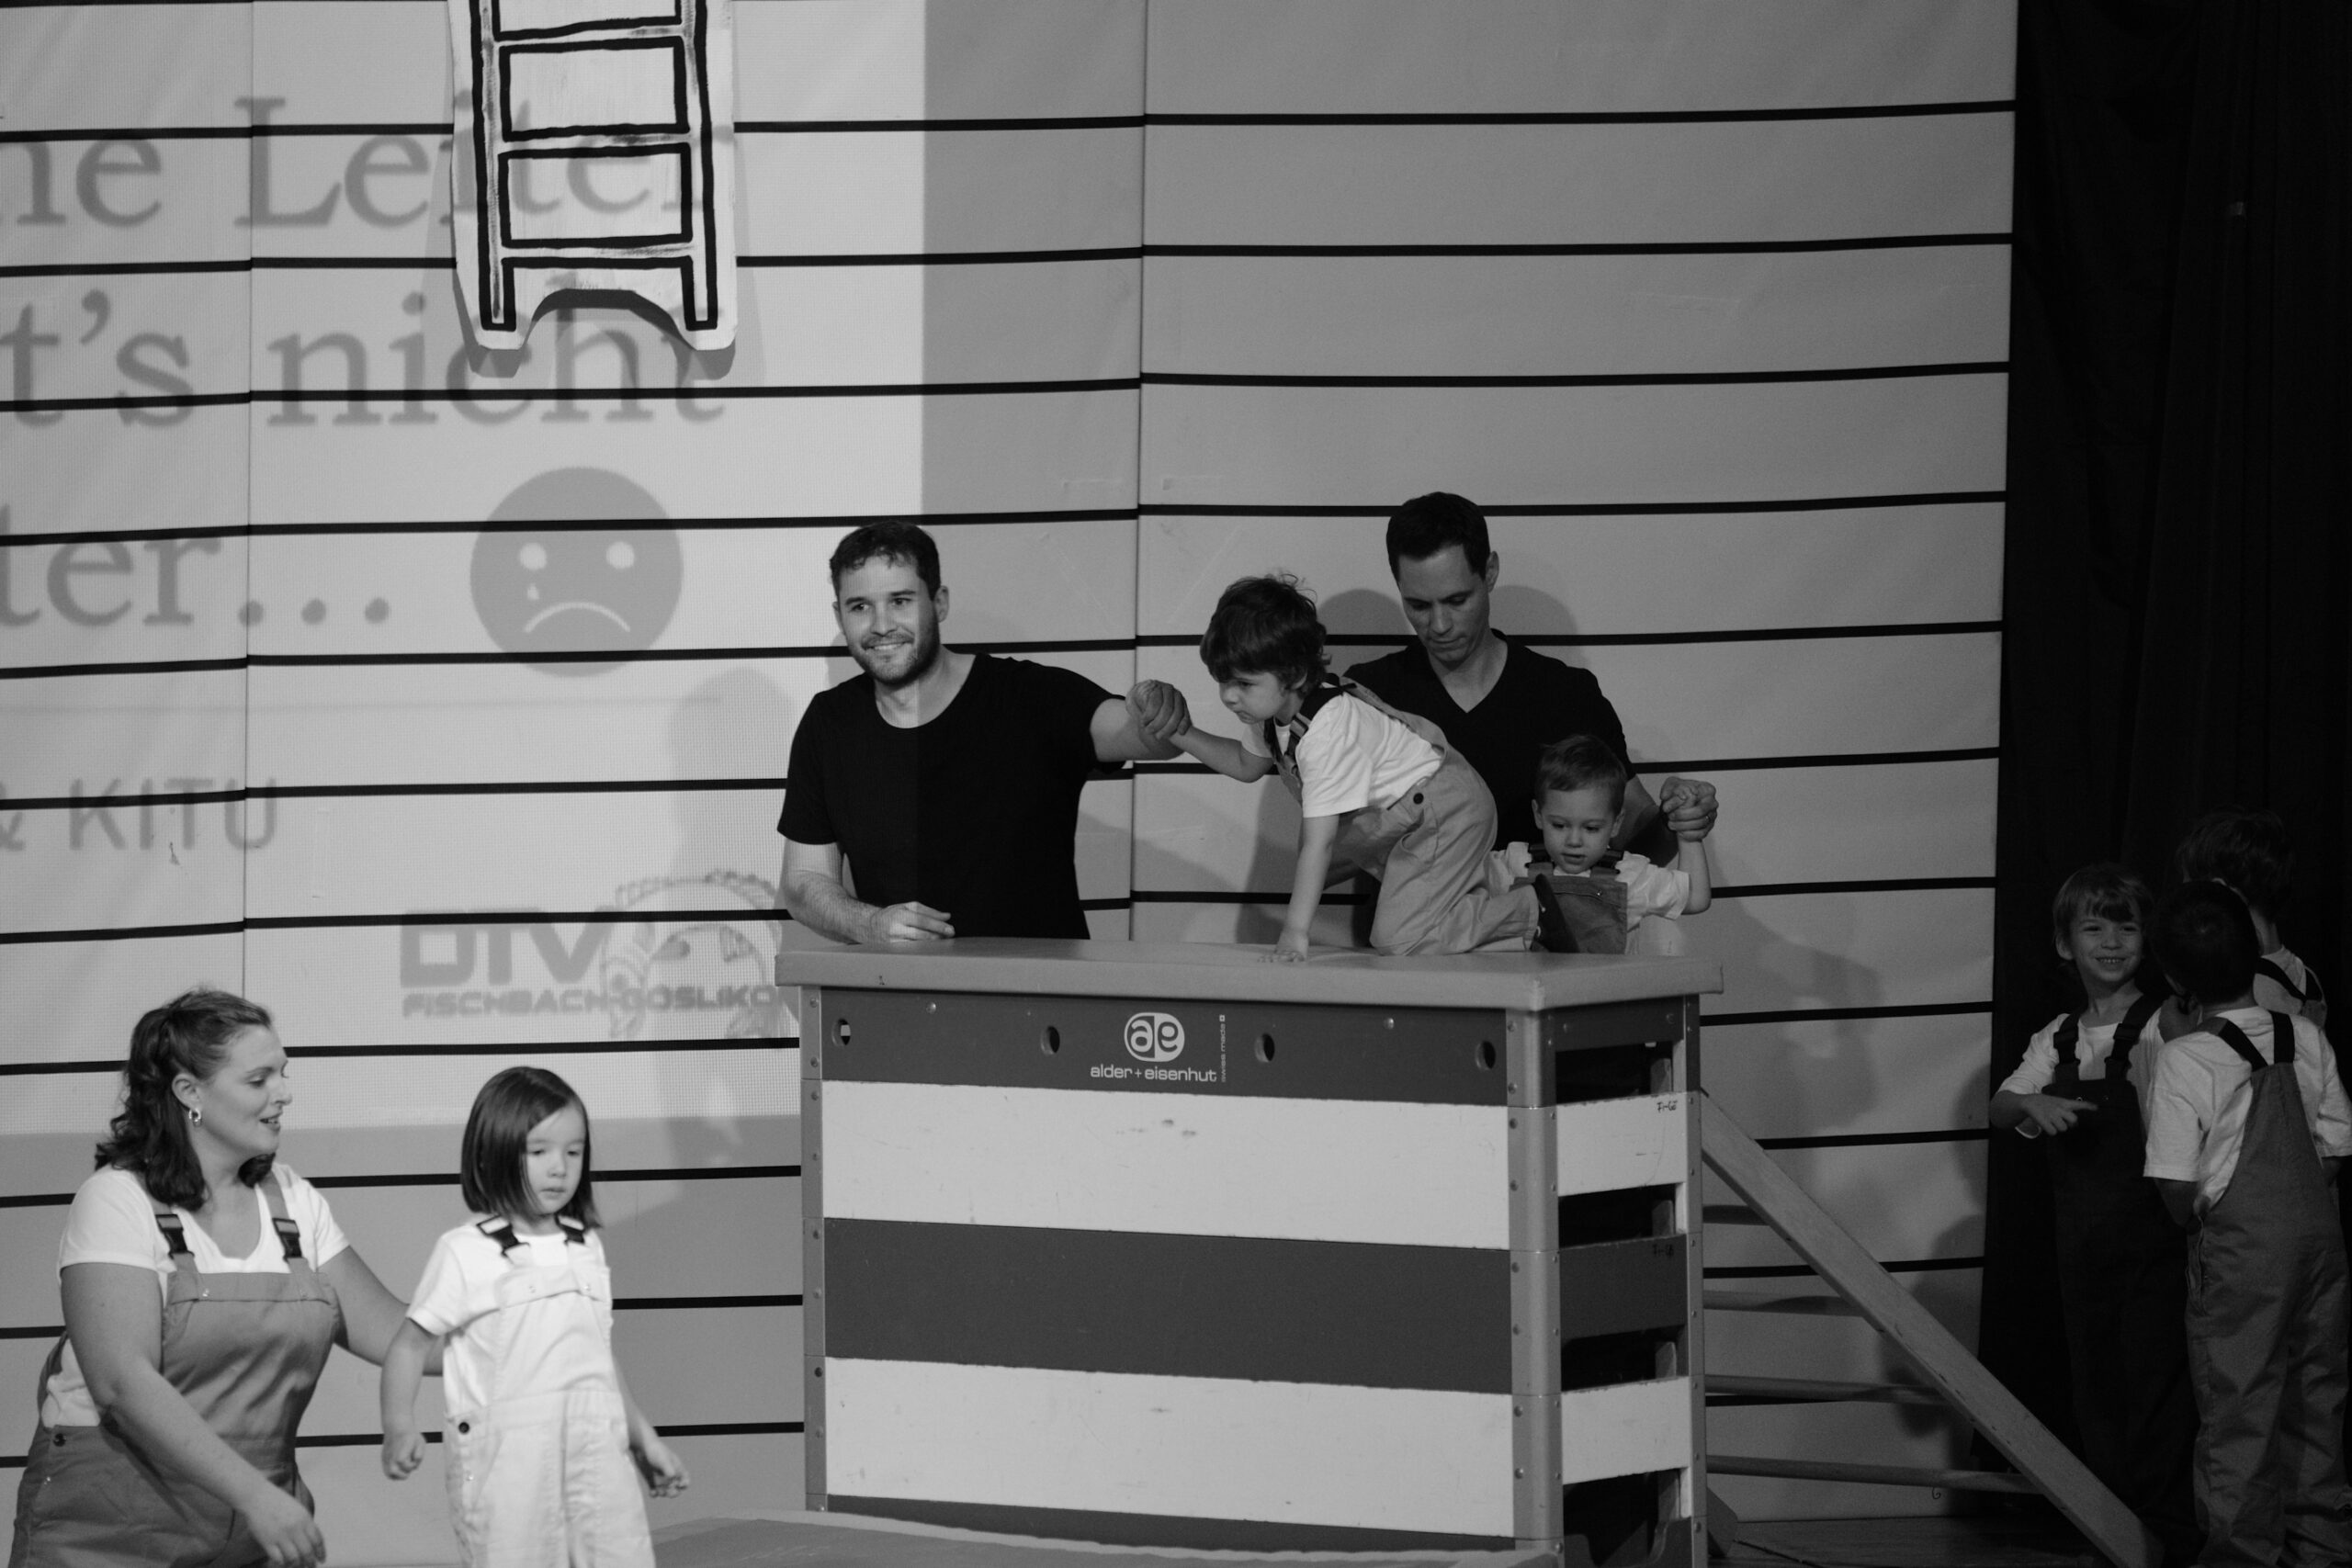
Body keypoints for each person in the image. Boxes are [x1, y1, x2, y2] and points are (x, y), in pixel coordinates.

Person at [8, 987, 422, 1568]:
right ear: (190, 1093)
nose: (284, 1093)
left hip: (245, 1536)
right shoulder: (116, 1201)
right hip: (105, 1537)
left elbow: (401, 1335)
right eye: (258, 1080)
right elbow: (122, 1383)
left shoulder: (294, 1201)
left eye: (283, 1073)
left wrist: (523, 1320)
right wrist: (255, 1495)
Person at [777, 520, 1184, 943]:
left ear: (939, 603)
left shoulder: (1029, 696)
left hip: (1046, 982)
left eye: (900, 601)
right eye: (860, 606)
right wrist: (869, 924)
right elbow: (804, 880)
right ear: (840, 616)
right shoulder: (829, 722)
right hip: (902, 984)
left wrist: (1158, 705)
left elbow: (1151, 738)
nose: (881, 625)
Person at [379, 1066, 687, 1567]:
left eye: (574, 1151)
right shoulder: (465, 1251)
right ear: (493, 1153)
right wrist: (399, 1425)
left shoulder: (585, 1246)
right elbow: (409, 1345)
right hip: (508, 1471)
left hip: (598, 1461)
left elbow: (599, 1359)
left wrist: (643, 1439)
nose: (559, 1168)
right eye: (539, 1151)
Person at [1152, 573, 1536, 961]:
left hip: (1446, 812)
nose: (1229, 697)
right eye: (1222, 682)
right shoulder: (1272, 710)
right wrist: (1177, 732)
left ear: (1294, 675)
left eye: (1243, 684)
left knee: (1398, 940)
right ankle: (1487, 891)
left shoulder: (1327, 732)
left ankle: (1528, 907)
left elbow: (1318, 845)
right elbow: (1244, 764)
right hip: (1406, 818)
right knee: (1376, 904)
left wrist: (1295, 933)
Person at [1986, 866, 2196, 1563]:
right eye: (2094, 927)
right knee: (2097, 1390)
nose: (2111, 941)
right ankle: (2115, 1531)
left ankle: (2167, 1537)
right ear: (2064, 944)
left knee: (2157, 1388)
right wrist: (2032, 1102)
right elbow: (2000, 1104)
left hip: (2156, 1240)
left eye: (2126, 927)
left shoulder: (2165, 1023)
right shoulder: (2058, 1036)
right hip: (2083, 1247)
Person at [2144, 883, 2352, 1568]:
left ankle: (2243, 1558)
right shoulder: (2307, 1034)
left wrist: (2202, 1220)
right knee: (2316, 1398)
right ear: (2256, 953)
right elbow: (2335, 1148)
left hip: (2241, 1254)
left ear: (2173, 977)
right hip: (2320, 1245)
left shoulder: (2185, 1057)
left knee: (2240, 1407)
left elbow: (2176, 1183)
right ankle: (2321, 1551)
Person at [1344, 491, 1718, 859]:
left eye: (1457, 601)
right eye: (1419, 605)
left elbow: (1634, 838)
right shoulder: (1367, 697)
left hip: (1541, 903)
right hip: (1408, 904)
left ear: (1490, 572)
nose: (1439, 624)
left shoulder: (1566, 694)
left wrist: (1677, 819)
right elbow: (1324, 853)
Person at [1521, 735, 1711, 955]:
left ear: (1616, 823)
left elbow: (1695, 898)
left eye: (1591, 828)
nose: (1574, 841)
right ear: (1538, 814)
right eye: (1559, 825)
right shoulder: (1514, 863)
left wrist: (1688, 833)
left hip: (1610, 981)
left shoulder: (1631, 875)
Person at [2175, 807, 2325, 1027]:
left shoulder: (2244, 992)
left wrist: (2176, 1036)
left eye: (2190, 892)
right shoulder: (2304, 976)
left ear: (2222, 893)